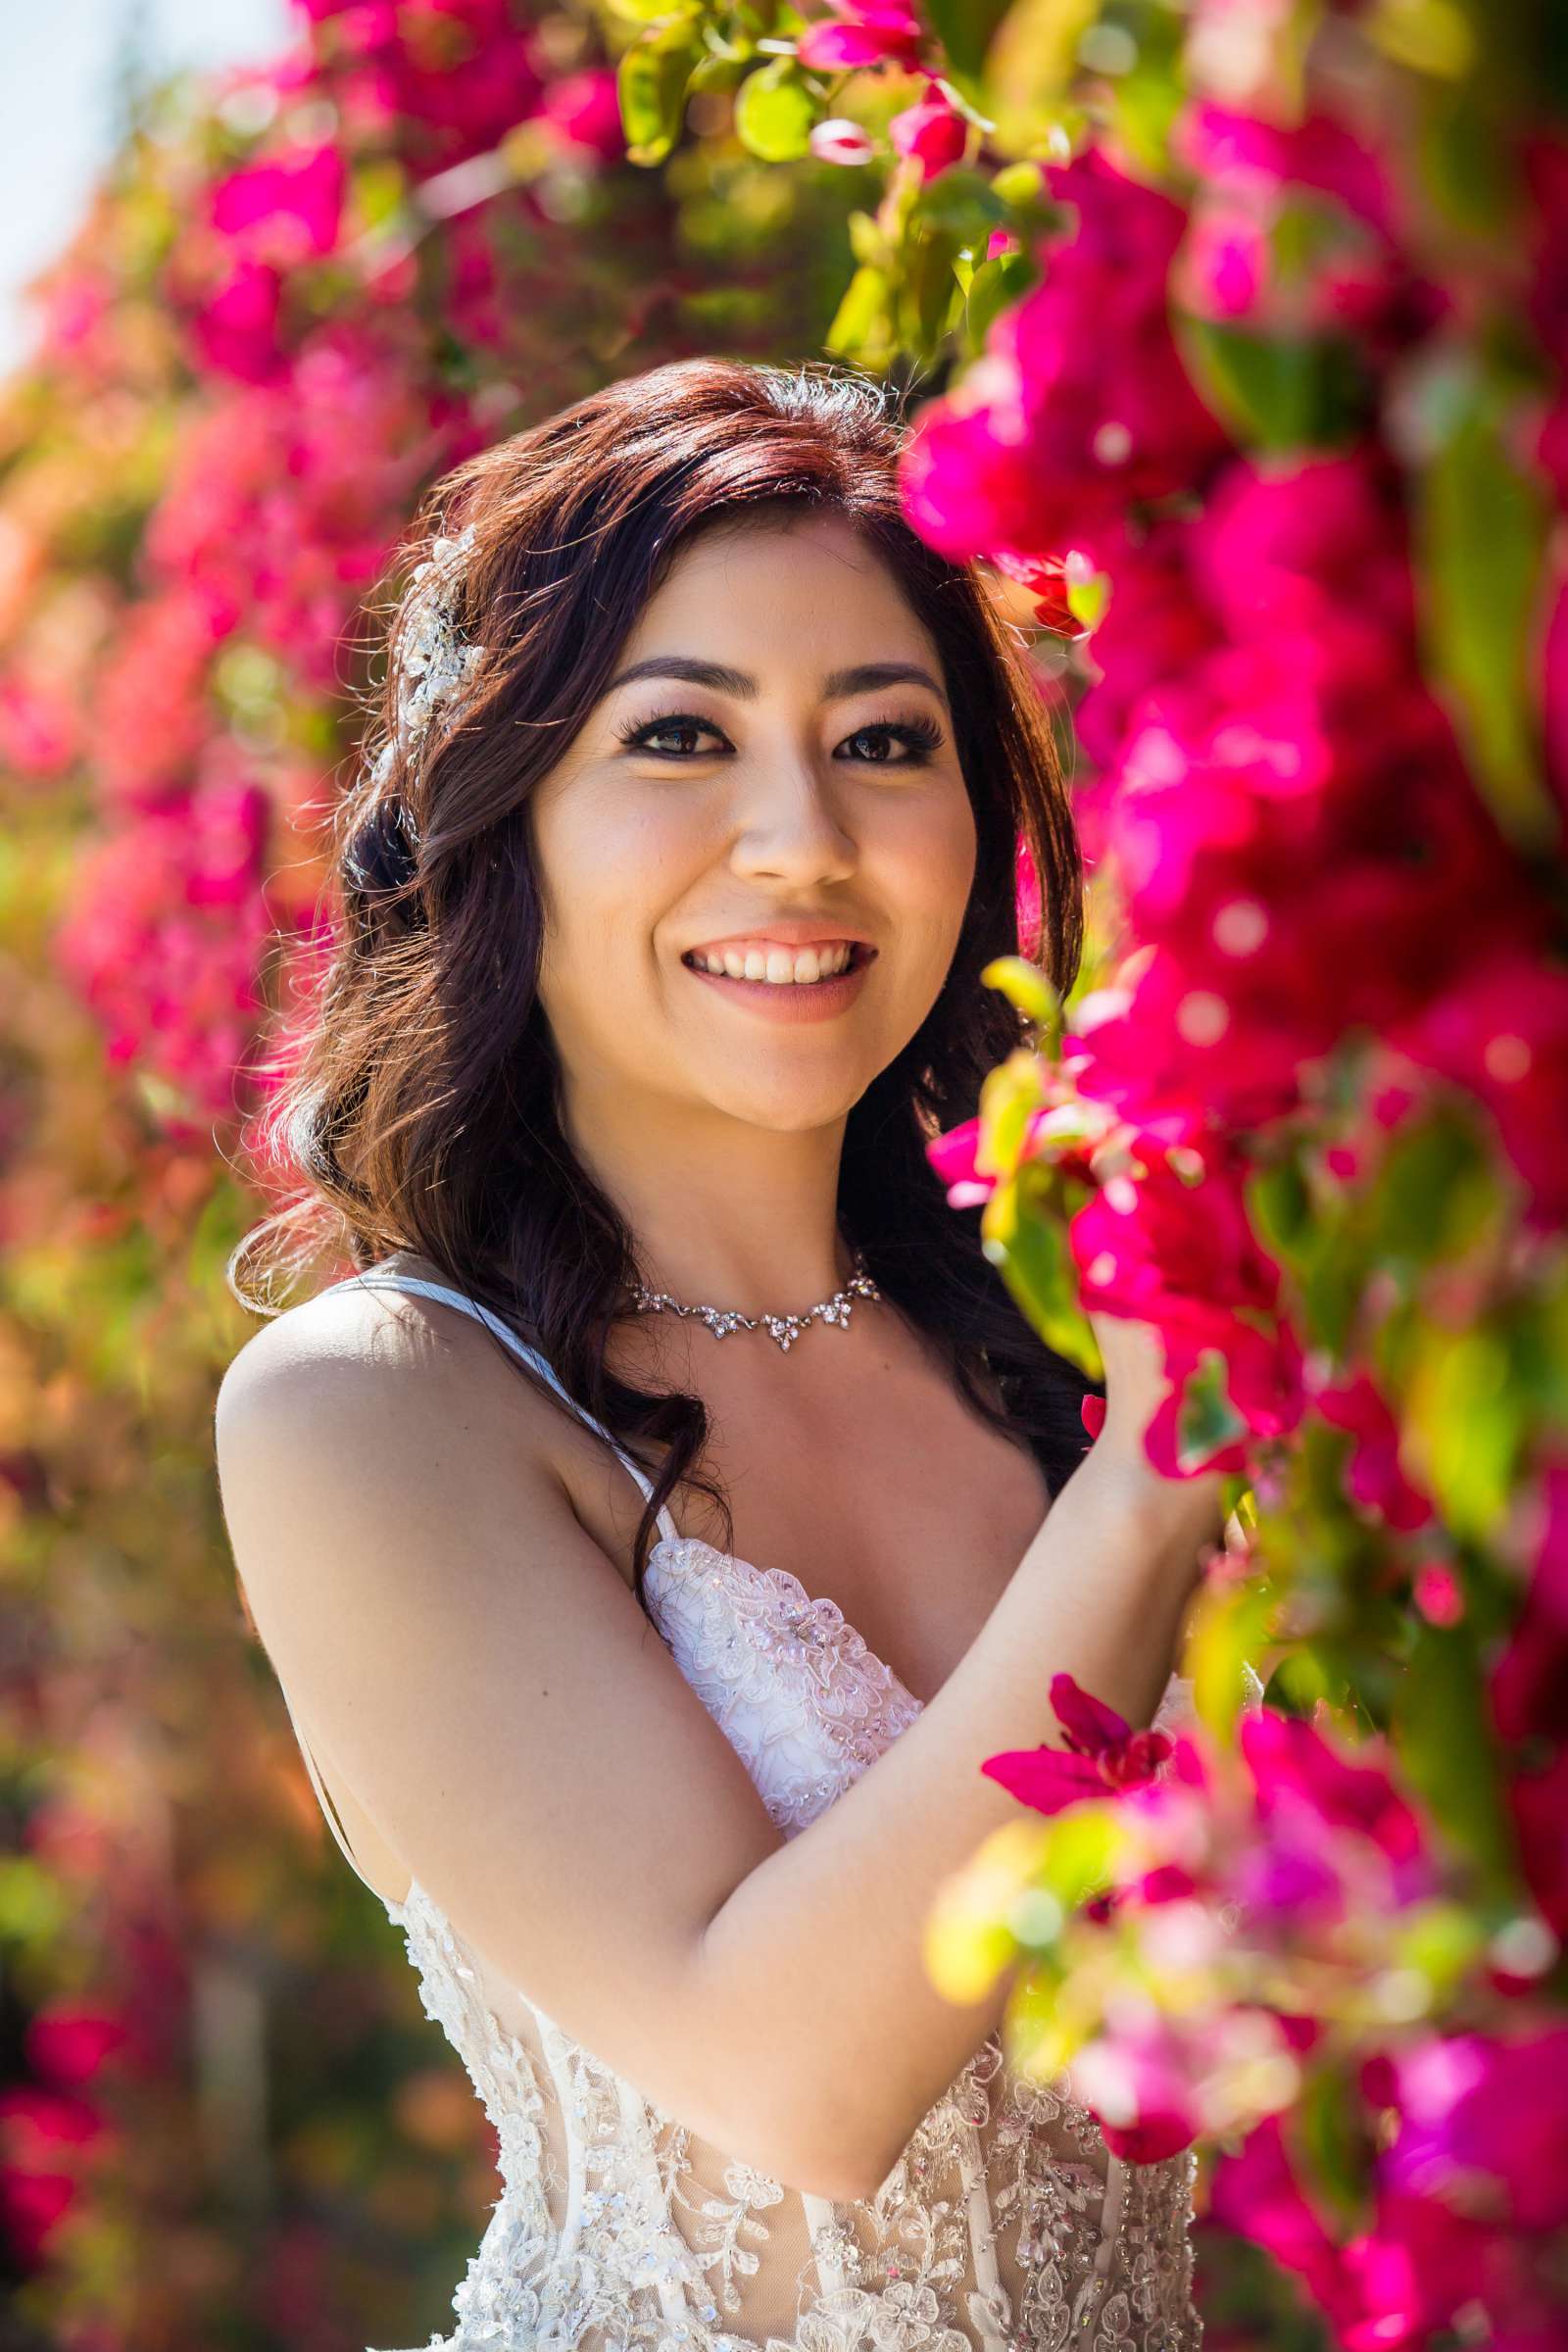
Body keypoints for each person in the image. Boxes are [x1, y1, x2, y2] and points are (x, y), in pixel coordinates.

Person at [215, 356, 1227, 2352]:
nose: (799, 840)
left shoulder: (1055, 1326)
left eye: (881, 740)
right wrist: (1161, 1481)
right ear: (504, 812)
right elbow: (781, 2079)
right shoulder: (380, 1410)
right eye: (680, 735)